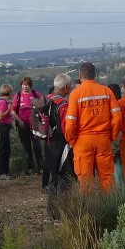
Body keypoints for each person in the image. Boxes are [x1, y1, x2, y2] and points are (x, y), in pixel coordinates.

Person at [64, 62, 121, 193]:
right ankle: (109, 209)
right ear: (95, 75)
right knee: (107, 178)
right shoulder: (106, 91)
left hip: (82, 141)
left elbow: (71, 123)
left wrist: (72, 141)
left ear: (79, 75)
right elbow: (117, 118)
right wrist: (111, 136)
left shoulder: (75, 94)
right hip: (103, 139)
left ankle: (89, 211)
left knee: (85, 181)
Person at [43, 74, 75, 219]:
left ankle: (50, 212)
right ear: (66, 86)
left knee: (52, 178)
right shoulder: (63, 105)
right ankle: (64, 211)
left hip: (49, 142)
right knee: (64, 177)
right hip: (62, 144)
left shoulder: (47, 99)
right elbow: (66, 129)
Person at [11, 77, 44, 174]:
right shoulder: (18, 95)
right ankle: (30, 168)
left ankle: (41, 167)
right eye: (23, 84)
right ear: (21, 85)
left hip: (34, 124)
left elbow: (43, 104)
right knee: (26, 147)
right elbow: (12, 111)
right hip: (23, 124)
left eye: (27, 85)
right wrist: (19, 121)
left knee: (37, 146)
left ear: (30, 85)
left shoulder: (35, 94)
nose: (25, 87)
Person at [0, 83, 14, 178]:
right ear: (9, 92)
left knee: (6, 148)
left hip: (4, 127)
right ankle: (2, 172)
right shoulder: (3, 102)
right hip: (3, 127)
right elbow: (0, 116)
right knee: (4, 149)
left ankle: (5, 171)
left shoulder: (0, 101)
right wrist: (9, 109)